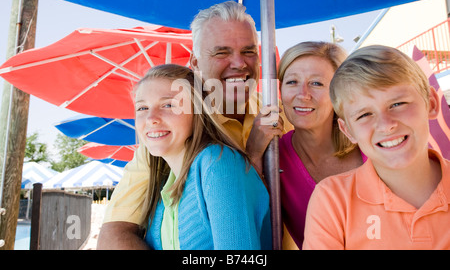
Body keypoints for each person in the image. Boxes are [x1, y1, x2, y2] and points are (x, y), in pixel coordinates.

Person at [98, 1, 287, 249]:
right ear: (195, 62)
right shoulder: (171, 134)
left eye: (249, 51)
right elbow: (114, 235)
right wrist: (252, 156)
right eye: (222, 52)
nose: (239, 63)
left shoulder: (285, 117)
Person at [303, 45, 450, 249]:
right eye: (364, 115)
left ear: (432, 103)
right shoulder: (333, 200)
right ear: (348, 131)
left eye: (398, 104)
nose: (386, 124)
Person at [133, 64, 271, 249]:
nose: (151, 118)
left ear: (198, 113)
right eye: (142, 108)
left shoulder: (218, 163)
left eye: (168, 105)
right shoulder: (163, 187)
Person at [276, 42, 366, 250]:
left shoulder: (369, 144)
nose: (303, 94)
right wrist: (254, 153)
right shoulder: (273, 158)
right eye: (292, 82)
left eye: (316, 83)